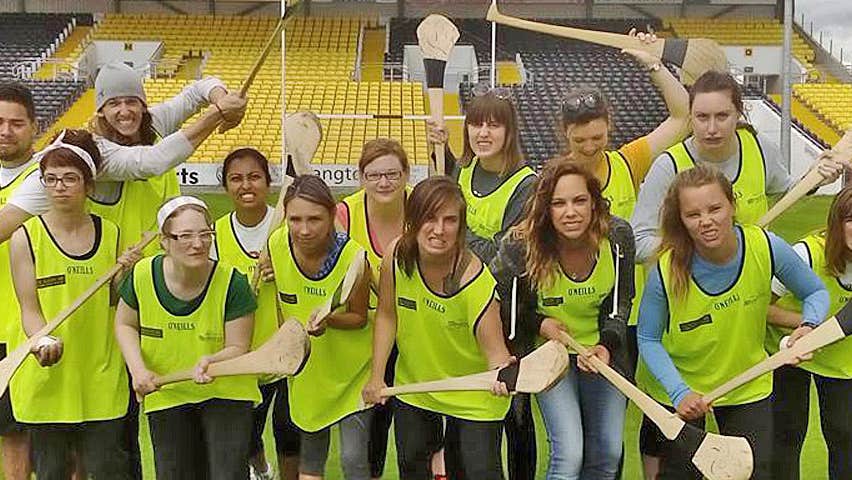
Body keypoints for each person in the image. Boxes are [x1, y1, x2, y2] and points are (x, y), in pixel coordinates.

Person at [635, 165, 830, 479]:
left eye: (715, 209)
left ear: (732, 205)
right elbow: (648, 338)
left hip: (746, 383)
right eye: (693, 215)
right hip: (683, 387)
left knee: (754, 471)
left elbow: (815, 292)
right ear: (681, 220)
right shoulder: (666, 270)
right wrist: (678, 393)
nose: (707, 221)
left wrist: (809, 325)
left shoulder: (765, 246)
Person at [0, 62, 248, 251]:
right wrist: (217, 114)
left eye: (132, 101)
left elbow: (199, 89)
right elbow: (153, 161)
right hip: (116, 268)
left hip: (165, 261)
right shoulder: (95, 152)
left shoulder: (154, 122)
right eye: (114, 103)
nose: (124, 111)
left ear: (142, 104)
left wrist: (222, 99)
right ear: (100, 111)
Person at [363, 176, 513, 480]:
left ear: (461, 226)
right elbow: (387, 316)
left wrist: (503, 373)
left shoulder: (474, 280)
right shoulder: (396, 256)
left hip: (473, 394)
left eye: (450, 220)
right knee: (412, 465)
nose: (439, 230)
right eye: (430, 218)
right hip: (416, 386)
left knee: (479, 472)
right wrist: (377, 376)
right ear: (413, 219)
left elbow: (496, 353)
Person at [9, 129, 138, 479]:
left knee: (105, 469)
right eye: (51, 179)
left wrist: (125, 275)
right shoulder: (25, 237)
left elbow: (117, 302)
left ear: (89, 186)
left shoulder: (110, 234)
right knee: (51, 471)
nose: (59, 186)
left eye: (69, 178)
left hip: (100, 374)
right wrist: (42, 341)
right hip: (47, 376)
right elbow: (29, 308)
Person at [492, 160, 634, 479]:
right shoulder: (521, 245)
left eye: (579, 200)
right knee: (570, 452)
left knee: (608, 451)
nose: (570, 212)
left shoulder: (618, 236)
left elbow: (620, 300)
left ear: (594, 202)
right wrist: (540, 323)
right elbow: (502, 303)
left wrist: (606, 345)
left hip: (599, 353)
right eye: (559, 203)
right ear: (546, 208)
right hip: (550, 357)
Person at [428, 85, 538, 480]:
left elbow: (504, 261)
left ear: (510, 131)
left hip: (510, 318)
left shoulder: (527, 184)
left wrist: (461, 238)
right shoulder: (463, 170)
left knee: (516, 419)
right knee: (463, 412)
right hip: (462, 314)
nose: (483, 132)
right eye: (476, 123)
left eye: (494, 125)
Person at [631, 70, 846, 263]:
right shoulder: (669, 166)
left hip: (749, 283)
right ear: (691, 118)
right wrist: (698, 250)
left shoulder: (760, 147)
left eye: (722, 116)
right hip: (687, 291)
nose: (712, 128)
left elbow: (786, 191)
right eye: (702, 117)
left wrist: (814, 178)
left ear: (739, 114)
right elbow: (638, 243)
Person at [115, 196, 261, 479]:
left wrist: (212, 360)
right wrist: (138, 370)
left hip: (225, 391)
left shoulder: (233, 282)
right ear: (164, 241)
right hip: (167, 391)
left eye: (205, 234)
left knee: (226, 473)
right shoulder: (142, 275)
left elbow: (238, 346)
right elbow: (125, 323)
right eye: (185, 236)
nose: (198, 244)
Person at [267, 175, 372, 480]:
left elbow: (359, 317)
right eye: (295, 219)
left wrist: (330, 321)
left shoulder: (354, 258)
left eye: (315, 219)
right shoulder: (277, 244)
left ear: (331, 215)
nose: (304, 229)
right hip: (308, 374)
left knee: (353, 459)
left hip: (351, 375)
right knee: (310, 461)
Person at [211, 147, 299, 480]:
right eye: (236, 178)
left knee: (290, 432)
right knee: (246, 434)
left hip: (288, 348)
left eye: (254, 177)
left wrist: (287, 269)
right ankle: (261, 469)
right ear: (225, 185)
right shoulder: (215, 234)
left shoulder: (288, 226)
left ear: (268, 181)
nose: (246, 185)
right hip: (243, 354)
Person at [336, 138, 409, 480]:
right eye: (374, 174)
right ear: (361, 177)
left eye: (392, 174)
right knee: (368, 429)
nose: (384, 183)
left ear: (406, 174)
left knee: (414, 427)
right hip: (362, 337)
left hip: (415, 333)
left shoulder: (421, 210)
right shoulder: (344, 215)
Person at [766, 187, 852, 480]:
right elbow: (762, 308)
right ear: (837, 223)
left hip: (840, 360)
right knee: (787, 434)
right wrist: (809, 325)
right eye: (851, 219)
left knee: (844, 434)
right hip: (789, 353)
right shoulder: (805, 254)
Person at [0, 82, 39, 480]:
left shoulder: (44, 176)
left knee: (41, 436)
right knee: (8, 436)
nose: (6, 131)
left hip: (26, 328)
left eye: (16, 123)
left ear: (33, 126)